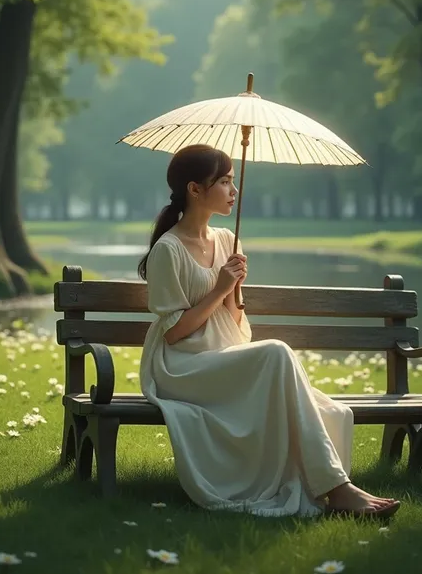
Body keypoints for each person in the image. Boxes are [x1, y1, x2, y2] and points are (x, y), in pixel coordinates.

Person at [138, 143, 400, 519]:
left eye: (233, 181)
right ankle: (338, 489)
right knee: (277, 351)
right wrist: (220, 288)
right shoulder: (168, 250)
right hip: (182, 367)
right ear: (195, 189)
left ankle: (330, 485)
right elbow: (174, 333)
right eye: (225, 181)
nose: (234, 190)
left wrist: (234, 289)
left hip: (221, 354)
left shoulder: (228, 240)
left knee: (332, 409)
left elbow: (236, 327)